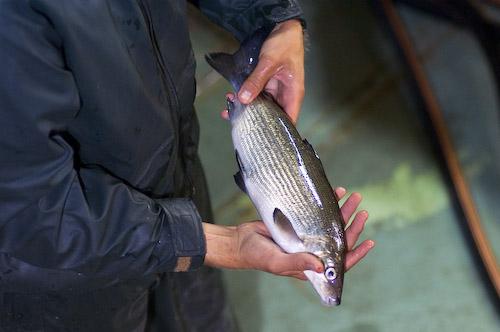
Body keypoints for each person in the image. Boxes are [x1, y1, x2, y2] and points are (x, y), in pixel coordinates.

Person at [0, 0, 374, 330]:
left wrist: (275, 17)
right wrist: (213, 244)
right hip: (59, 278)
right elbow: (33, 210)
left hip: (178, 193)